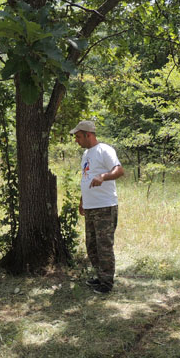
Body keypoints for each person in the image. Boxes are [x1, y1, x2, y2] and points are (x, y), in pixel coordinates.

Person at [70, 120, 124, 294]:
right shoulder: (86, 154)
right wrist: (82, 200)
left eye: (78, 137)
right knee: (92, 245)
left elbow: (119, 170)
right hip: (91, 207)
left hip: (105, 206)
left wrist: (103, 176)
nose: (76, 140)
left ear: (89, 135)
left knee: (104, 246)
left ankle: (106, 284)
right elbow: (87, 178)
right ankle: (100, 277)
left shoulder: (104, 150)